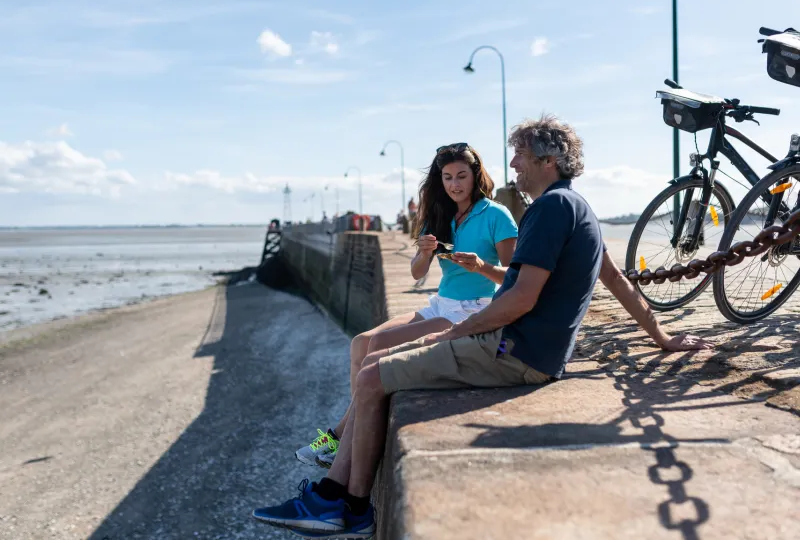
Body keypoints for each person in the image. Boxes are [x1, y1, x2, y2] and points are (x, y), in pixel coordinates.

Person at [252, 115, 713, 537]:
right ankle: (335, 496)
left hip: (514, 350)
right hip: (524, 347)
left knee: (372, 376)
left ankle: (346, 506)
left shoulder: (549, 210)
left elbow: (519, 298)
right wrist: (662, 338)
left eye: (520, 156)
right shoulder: (579, 207)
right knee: (372, 357)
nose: (513, 165)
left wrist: (453, 331)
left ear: (547, 161)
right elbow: (616, 280)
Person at [292, 143, 519, 470]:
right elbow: (416, 273)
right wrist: (425, 253)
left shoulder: (496, 214)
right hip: (440, 304)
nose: (454, 184)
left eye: (461, 176)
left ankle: (340, 436)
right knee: (360, 343)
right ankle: (354, 431)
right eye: (447, 177)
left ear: (475, 176)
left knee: (377, 350)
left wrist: (481, 265)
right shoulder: (440, 214)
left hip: (473, 310)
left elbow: (513, 277)